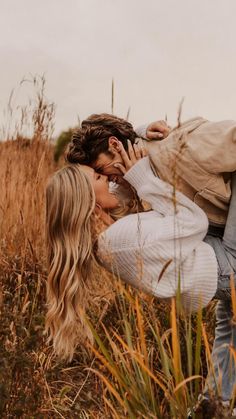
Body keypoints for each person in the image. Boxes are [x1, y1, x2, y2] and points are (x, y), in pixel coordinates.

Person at [46, 141, 236, 415]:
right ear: (87, 203)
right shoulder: (120, 240)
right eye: (100, 178)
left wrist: (140, 144)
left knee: (230, 326)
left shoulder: (111, 236)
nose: (109, 181)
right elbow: (194, 223)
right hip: (226, 264)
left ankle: (213, 407)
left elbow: (141, 214)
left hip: (210, 272)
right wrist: (143, 178)